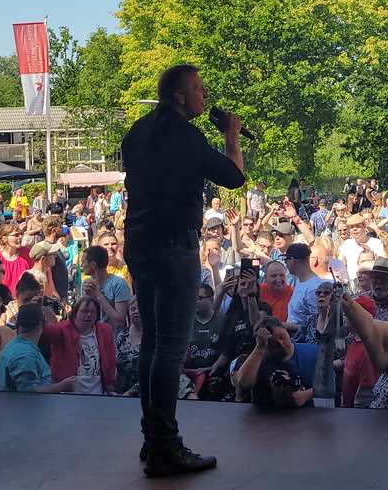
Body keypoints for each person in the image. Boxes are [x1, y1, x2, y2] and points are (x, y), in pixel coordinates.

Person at [122, 62, 245, 476]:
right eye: (199, 89)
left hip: (139, 243)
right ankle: (164, 446)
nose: (205, 96)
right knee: (171, 347)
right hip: (174, 246)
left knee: (152, 343)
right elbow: (234, 177)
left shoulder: (137, 131)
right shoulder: (186, 136)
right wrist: (231, 135)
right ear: (179, 96)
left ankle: (151, 438)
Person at [232, 316, 315, 408]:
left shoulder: (312, 352)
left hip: (305, 416)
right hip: (265, 416)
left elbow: (330, 384)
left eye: (282, 337)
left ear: (286, 330)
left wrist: (306, 395)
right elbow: (244, 383)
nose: (281, 344)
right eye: (274, 344)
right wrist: (259, 348)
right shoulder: (258, 359)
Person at [0, 302, 79, 394]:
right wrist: (63, 386)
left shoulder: (13, 346)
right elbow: (29, 394)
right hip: (22, 408)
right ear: (43, 324)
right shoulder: (25, 355)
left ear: (18, 325)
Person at [40, 296, 117, 395]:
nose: (88, 315)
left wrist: (110, 382)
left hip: (98, 394)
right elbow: (44, 333)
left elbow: (110, 358)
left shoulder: (104, 330)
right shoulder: (62, 329)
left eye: (92, 312)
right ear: (75, 313)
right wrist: (39, 310)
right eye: (84, 311)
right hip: (69, 395)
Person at [0, 222, 33, 294]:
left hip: (24, 298)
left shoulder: (26, 253)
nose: (20, 237)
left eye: (21, 234)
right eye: (16, 235)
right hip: (2, 299)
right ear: (4, 238)